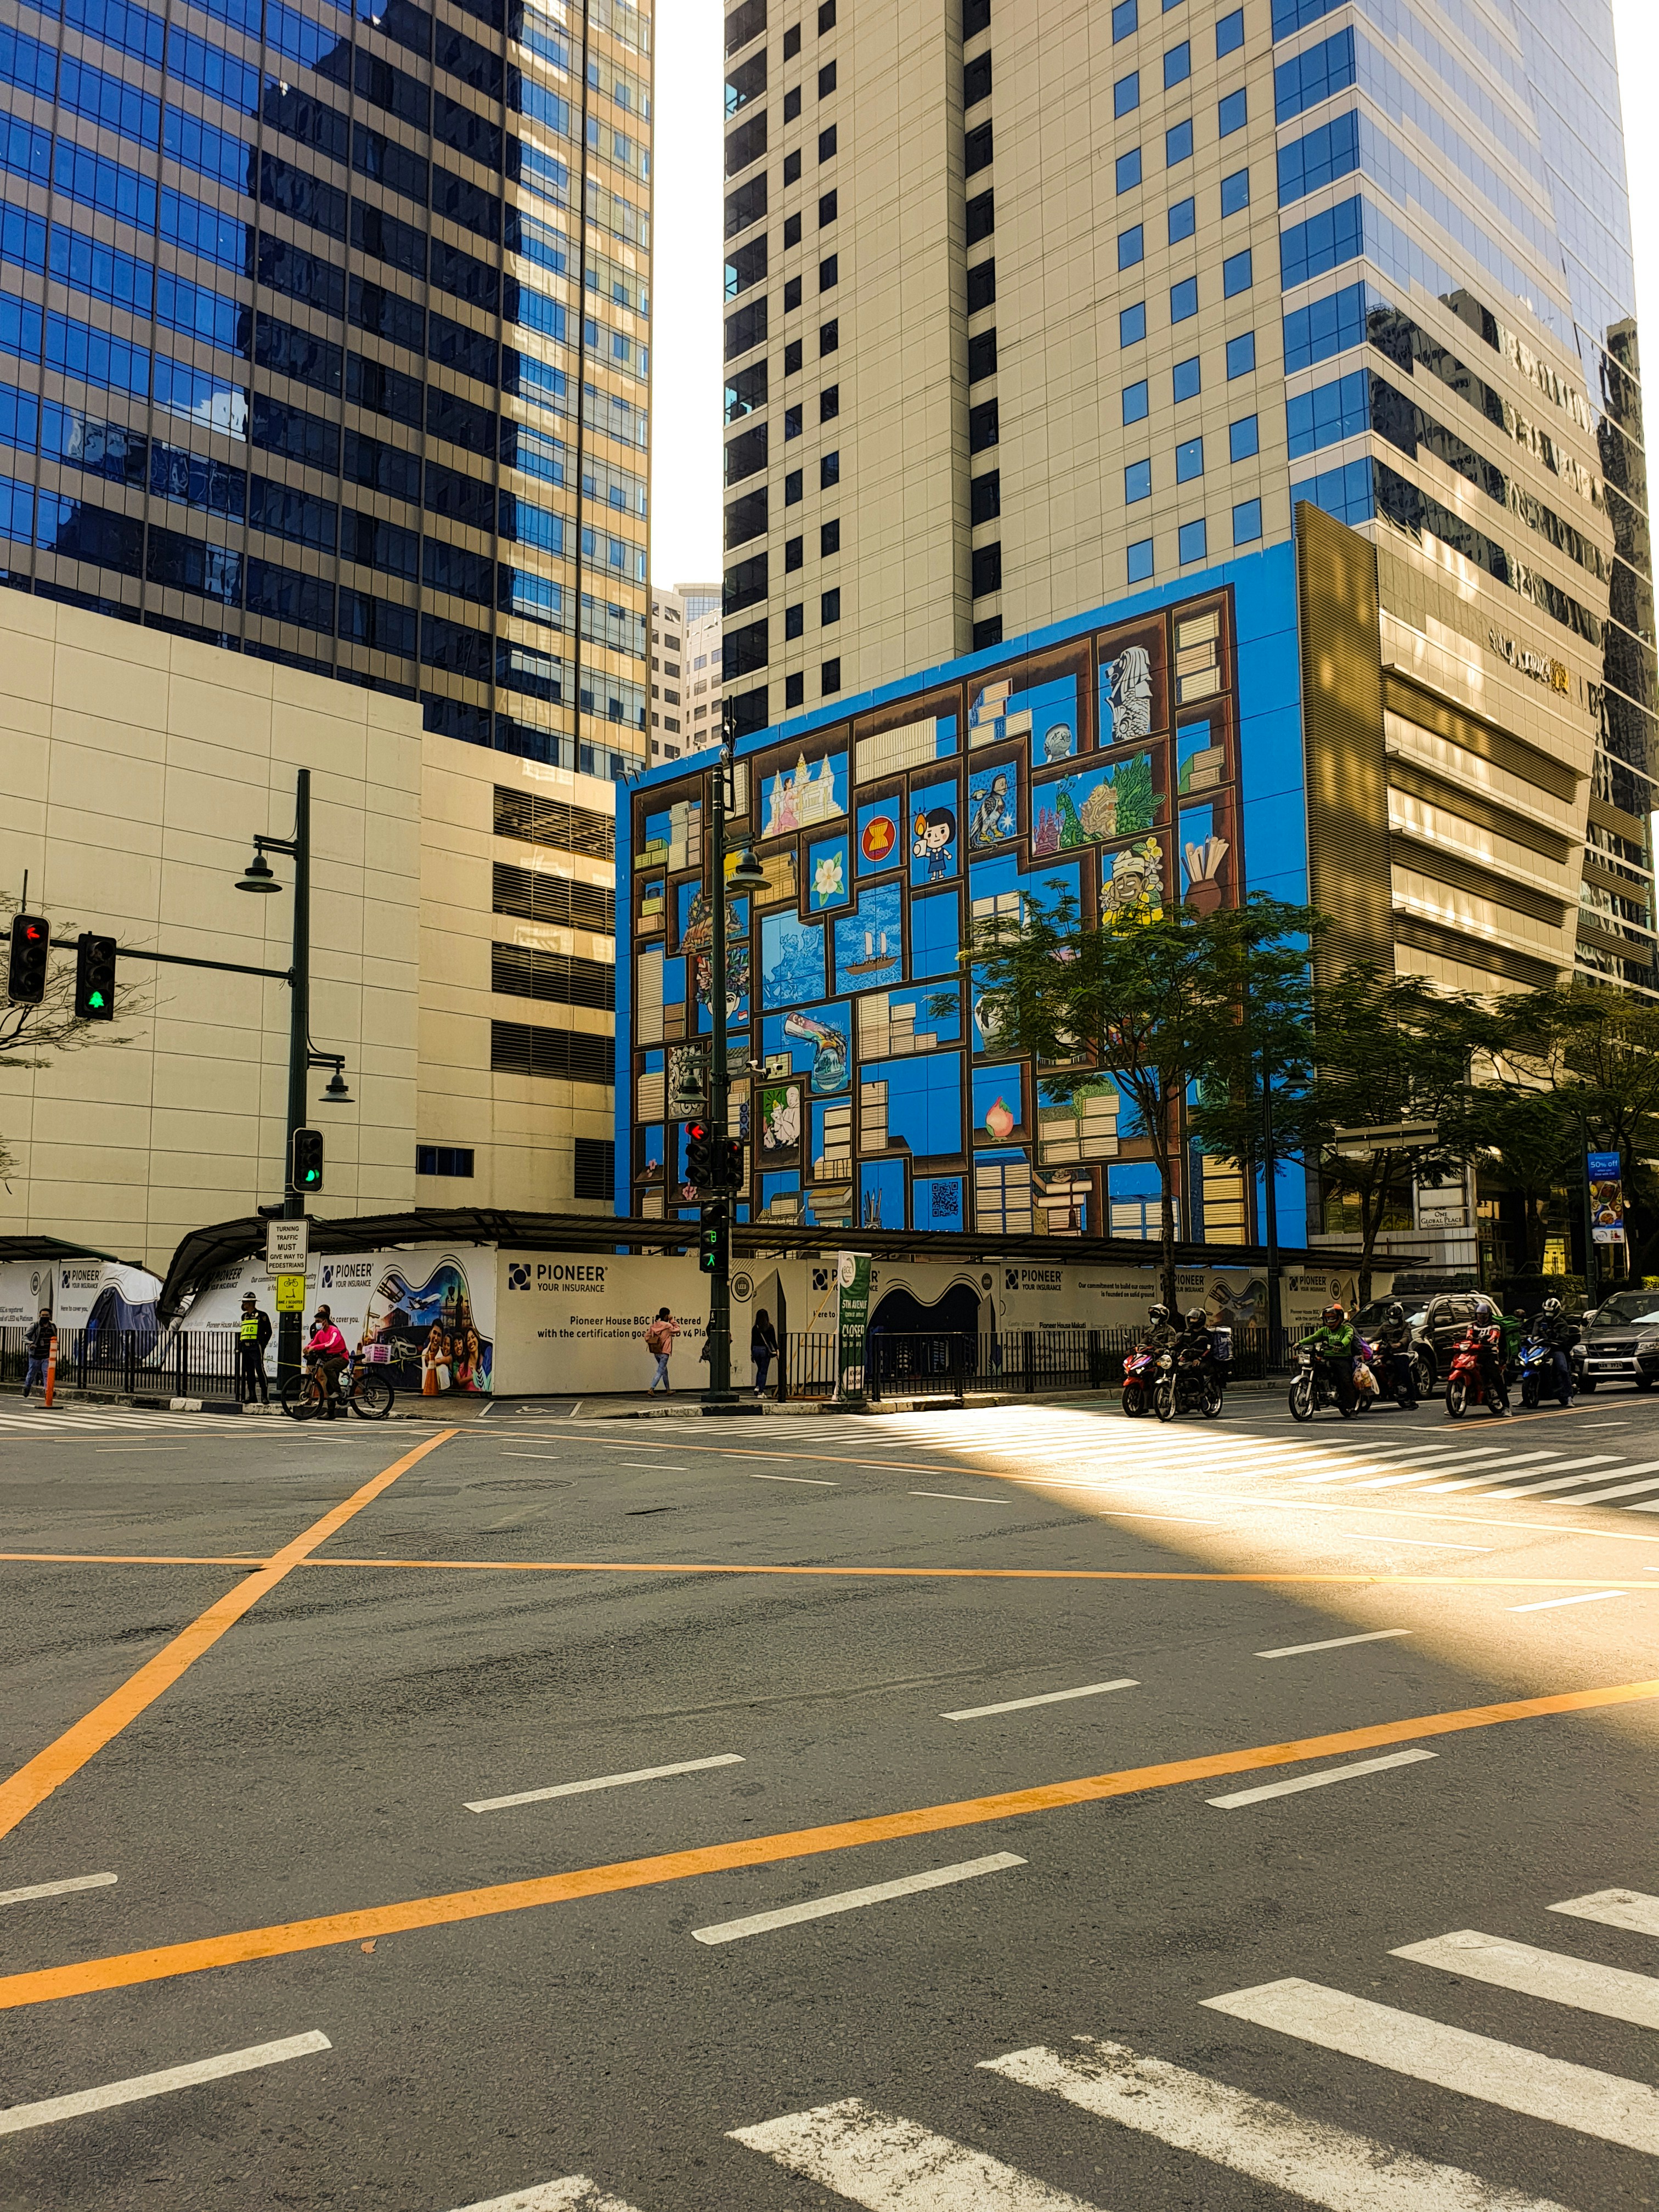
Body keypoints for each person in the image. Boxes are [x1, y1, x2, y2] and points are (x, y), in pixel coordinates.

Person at [1306, 1302, 1357, 1401]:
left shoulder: (1347, 1328)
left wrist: (1342, 1344)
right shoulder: (1324, 1330)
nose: (1330, 1321)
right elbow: (1313, 1338)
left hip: (1342, 1358)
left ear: (1340, 1318)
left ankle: (1351, 1407)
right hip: (1327, 1357)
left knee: (1345, 1380)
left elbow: (1348, 1337)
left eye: (1332, 1318)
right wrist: (1299, 1343)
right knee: (1315, 1366)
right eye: (1327, 1318)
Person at [304, 1305, 349, 1415]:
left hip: (341, 1358)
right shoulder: (320, 1333)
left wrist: (314, 1348)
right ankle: (330, 1412)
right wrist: (307, 1348)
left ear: (325, 1321)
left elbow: (330, 1344)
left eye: (319, 1321)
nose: (317, 1324)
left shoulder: (334, 1331)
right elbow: (313, 1342)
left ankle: (339, 1392)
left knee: (328, 1367)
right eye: (316, 1321)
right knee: (329, 1386)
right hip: (331, 1359)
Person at [1535, 1295, 1576, 1402]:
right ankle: (1527, 1396)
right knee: (1529, 1366)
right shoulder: (1538, 1321)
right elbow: (1533, 1335)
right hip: (1541, 1350)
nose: (1548, 1315)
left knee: (1563, 1369)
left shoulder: (1562, 1323)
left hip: (1556, 1350)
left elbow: (1565, 1337)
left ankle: (1568, 1396)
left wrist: (1554, 1336)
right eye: (1547, 1312)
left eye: (1551, 1313)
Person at [236, 1292, 272, 1407]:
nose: (243, 1304)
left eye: (245, 1302)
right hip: (246, 1347)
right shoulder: (245, 1316)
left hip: (256, 1346)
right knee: (249, 1371)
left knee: (259, 1369)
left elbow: (269, 1331)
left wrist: (263, 1344)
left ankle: (264, 1395)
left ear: (250, 1303)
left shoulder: (262, 1316)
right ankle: (252, 1395)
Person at [645, 1306, 680, 1392]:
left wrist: (654, 1341)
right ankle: (651, 1389)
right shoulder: (668, 1326)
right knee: (660, 1371)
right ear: (666, 1316)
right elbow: (678, 1329)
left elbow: (646, 1337)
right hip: (665, 1352)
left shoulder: (655, 1325)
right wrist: (672, 1320)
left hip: (656, 1352)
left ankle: (668, 1390)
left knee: (664, 1371)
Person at [21, 1308, 54, 1398]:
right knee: (32, 1372)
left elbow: (54, 1338)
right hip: (35, 1355)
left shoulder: (52, 1327)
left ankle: (48, 1391)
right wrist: (31, 1344)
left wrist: (56, 1346)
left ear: (50, 1316)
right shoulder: (34, 1326)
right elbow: (25, 1337)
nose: (44, 1317)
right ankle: (27, 1388)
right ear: (39, 1315)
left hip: (46, 1355)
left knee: (47, 1373)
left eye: (46, 1315)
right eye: (43, 1315)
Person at [751, 1307, 779, 1398]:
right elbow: (773, 1340)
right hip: (764, 1351)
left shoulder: (755, 1328)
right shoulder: (770, 1327)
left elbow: (753, 1341)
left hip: (755, 1350)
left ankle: (757, 1387)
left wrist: (752, 1353)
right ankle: (761, 1392)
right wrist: (777, 1350)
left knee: (760, 1370)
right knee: (764, 1371)